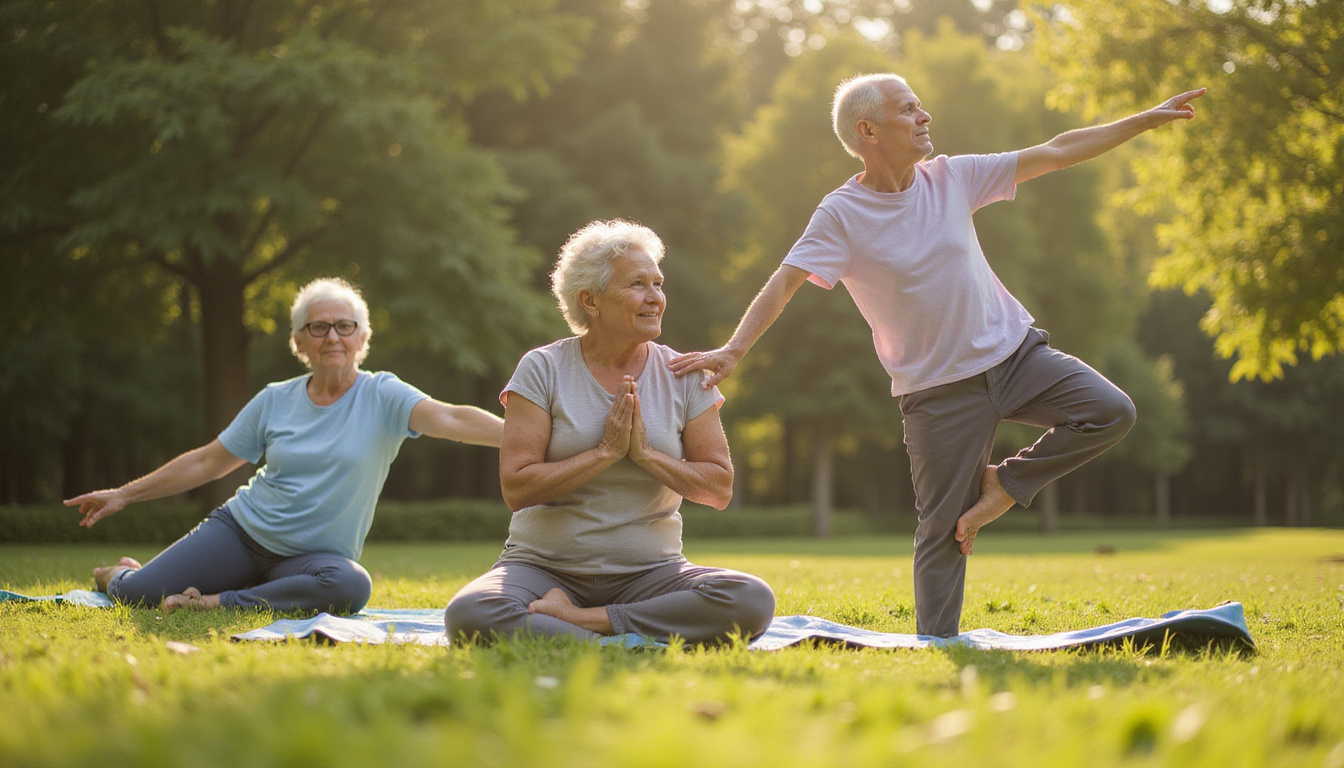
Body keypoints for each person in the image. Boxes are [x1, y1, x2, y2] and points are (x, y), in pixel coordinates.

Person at [669, 74, 1206, 637]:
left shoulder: (951, 177)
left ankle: (1006, 485)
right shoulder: (841, 214)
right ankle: (937, 646)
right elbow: (784, 282)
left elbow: (1056, 151)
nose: (925, 116)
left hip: (1014, 356)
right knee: (942, 529)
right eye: (909, 109)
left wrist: (1142, 120)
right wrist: (734, 349)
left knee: (1111, 411)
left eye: (922, 106)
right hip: (937, 391)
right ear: (868, 129)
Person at [64, 277, 504, 614]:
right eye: (318, 327)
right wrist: (123, 494)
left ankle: (215, 602)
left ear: (362, 338)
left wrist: (520, 437)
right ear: (299, 342)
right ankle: (117, 573)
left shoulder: (383, 395)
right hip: (241, 533)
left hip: (312, 561)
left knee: (351, 586)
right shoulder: (275, 399)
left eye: (344, 326)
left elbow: (449, 417)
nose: (332, 336)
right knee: (138, 595)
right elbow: (207, 463)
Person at [444, 220, 775, 644]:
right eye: (638, 284)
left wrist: (646, 456)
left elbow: (719, 488)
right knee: (472, 613)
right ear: (590, 300)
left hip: (650, 575)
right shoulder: (542, 369)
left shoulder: (685, 375)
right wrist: (603, 453)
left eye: (658, 283)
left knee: (749, 599)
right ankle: (614, 629)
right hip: (542, 570)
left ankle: (583, 625)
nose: (655, 297)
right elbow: (517, 487)